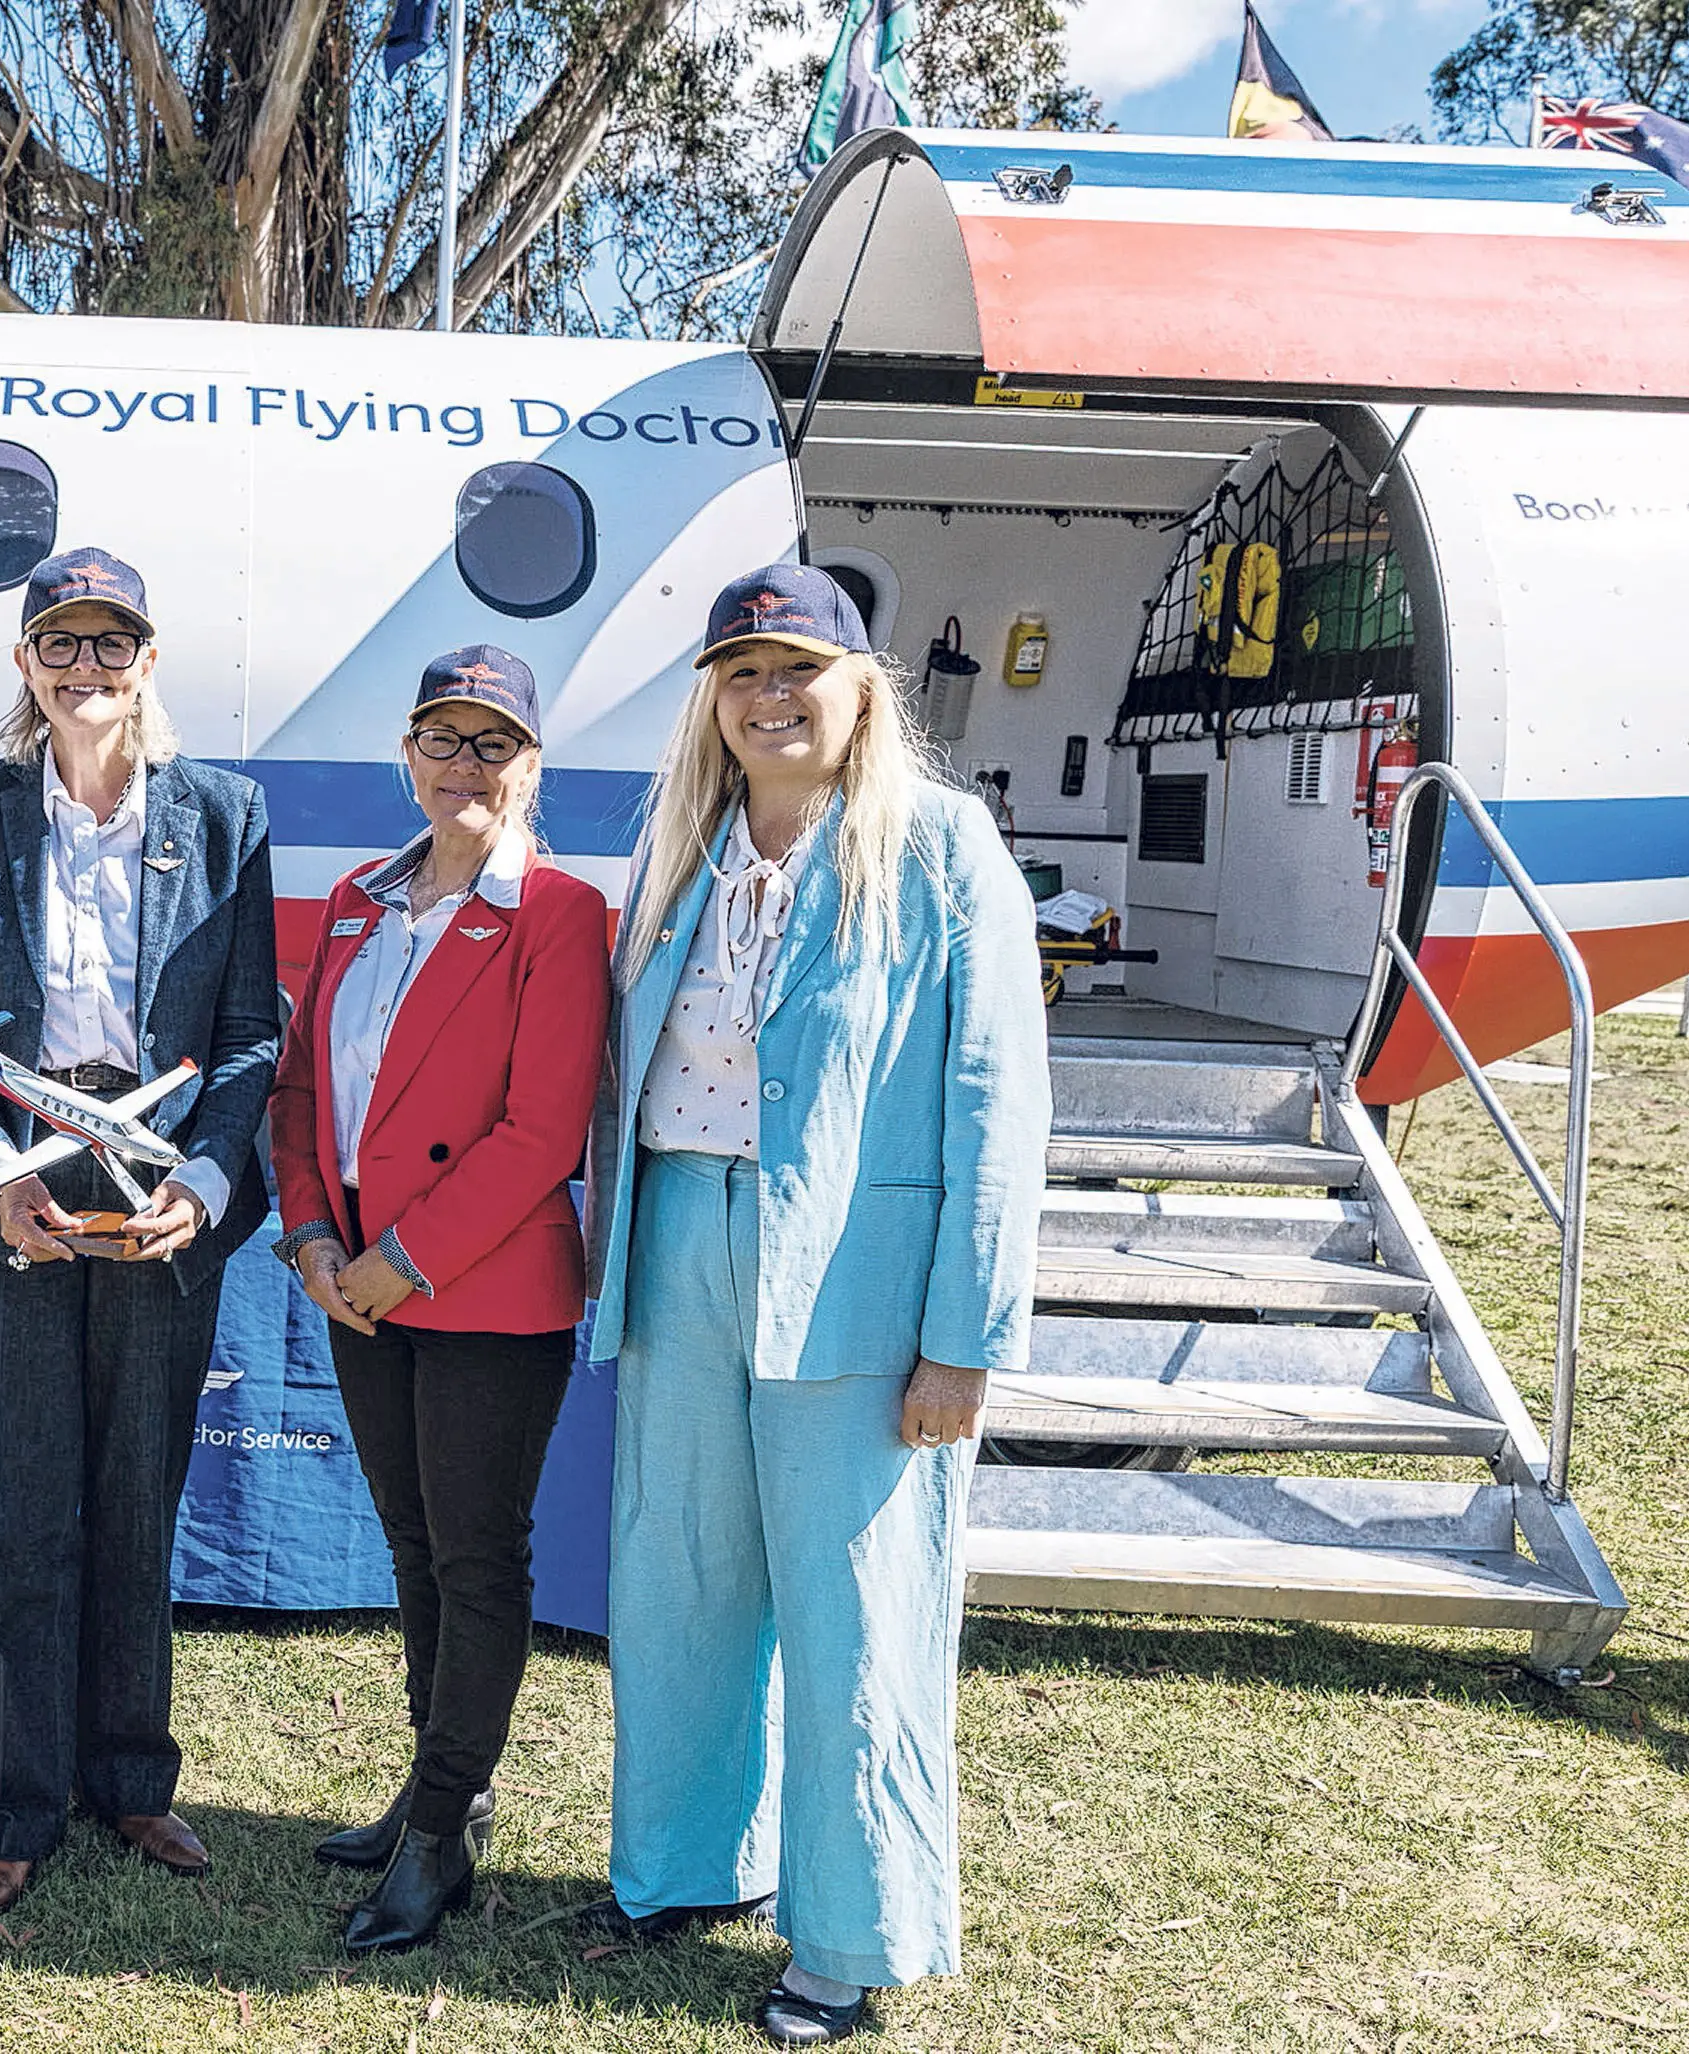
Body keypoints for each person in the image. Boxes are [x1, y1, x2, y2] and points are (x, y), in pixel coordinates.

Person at [580, 565, 1047, 2045]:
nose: (770, 699)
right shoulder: (682, 845)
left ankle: (851, 1939)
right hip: (679, 1247)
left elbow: (997, 1098)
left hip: (854, 1279)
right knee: (680, 1578)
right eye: (741, 675)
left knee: (857, 1611)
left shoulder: (945, 849)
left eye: (798, 672)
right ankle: (682, 1865)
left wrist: (965, 1336)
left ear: (863, 691)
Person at [0, 546, 282, 1918]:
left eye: (110, 644)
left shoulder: (226, 815)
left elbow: (250, 1036)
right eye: (59, 645)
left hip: (159, 1188)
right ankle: (15, 1805)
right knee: (25, 1500)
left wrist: (206, 1177)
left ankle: (129, 1775)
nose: (85, 669)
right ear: (24, 665)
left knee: (138, 1489)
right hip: (18, 1181)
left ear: (149, 660)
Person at [267, 645, 609, 1955]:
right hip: (356, 1285)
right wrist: (309, 1230)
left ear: (531, 767)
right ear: (405, 755)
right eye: (443, 738)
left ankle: (442, 1828)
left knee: (475, 1556)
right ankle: (432, 1789)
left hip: (479, 1289)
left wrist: (401, 1256)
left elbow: (540, 1130)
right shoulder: (357, 896)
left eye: (492, 742)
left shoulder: (559, 913)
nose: (464, 763)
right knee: (414, 1551)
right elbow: (302, 1091)